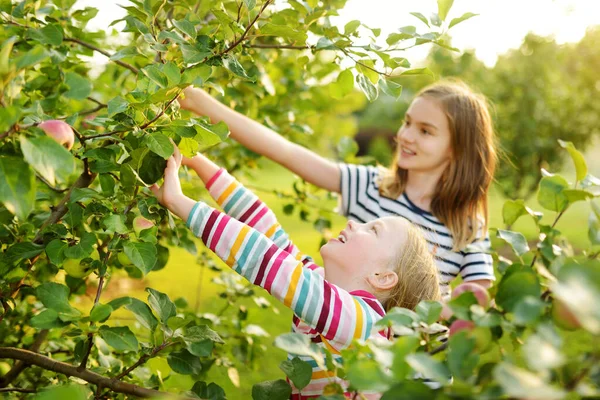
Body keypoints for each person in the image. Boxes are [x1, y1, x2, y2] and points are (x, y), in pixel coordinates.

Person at [151, 146, 441, 398]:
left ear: (382, 278)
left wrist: (180, 202)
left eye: (372, 230)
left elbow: (264, 259)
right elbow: (265, 229)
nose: (354, 223)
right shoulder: (319, 286)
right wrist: (198, 161)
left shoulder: (364, 323)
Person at [178, 80, 497, 298]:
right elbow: (286, 152)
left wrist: (462, 304)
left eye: (425, 131)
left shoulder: (467, 226)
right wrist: (204, 105)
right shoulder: (372, 187)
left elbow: (476, 300)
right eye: (407, 122)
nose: (406, 136)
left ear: (458, 149)